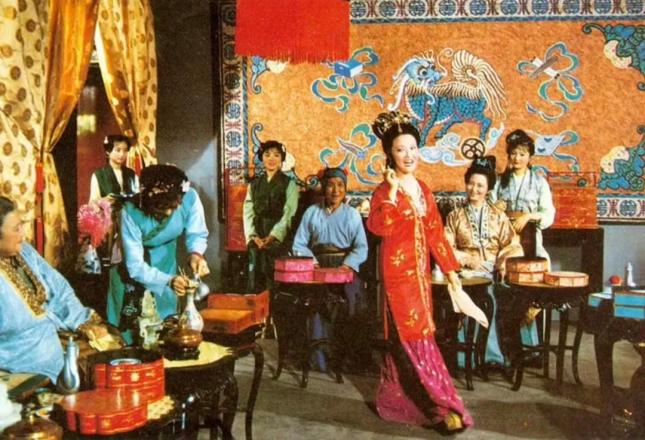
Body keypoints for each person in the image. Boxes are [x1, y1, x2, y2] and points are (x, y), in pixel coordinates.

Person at [367, 111, 472, 432]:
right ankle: (443, 406)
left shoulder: (423, 188)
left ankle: (406, 399)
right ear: (390, 154)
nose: (408, 155)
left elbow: (435, 233)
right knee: (416, 338)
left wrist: (451, 272)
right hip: (397, 279)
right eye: (400, 149)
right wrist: (393, 192)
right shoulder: (383, 192)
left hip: (421, 277)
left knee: (417, 337)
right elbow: (380, 227)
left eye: (413, 148)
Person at [0, 196, 109, 381]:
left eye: (22, 225)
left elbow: (58, 288)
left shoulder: (24, 251)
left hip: (56, 338)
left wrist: (81, 322)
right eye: (16, 229)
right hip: (25, 359)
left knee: (111, 352)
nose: (23, 234)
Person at [107, 164, 209, 343]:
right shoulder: (129, 213)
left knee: (165, 328)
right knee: (131, 332)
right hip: (130, 271)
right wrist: (168, 281)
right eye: (162, 208)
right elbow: (135, 267)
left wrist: (196, 254)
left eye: (173, 206)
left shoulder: (189, 198)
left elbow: (196, 233)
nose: (169, 212)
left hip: (165, 261)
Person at [444, 156, 523, 367]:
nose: (474, 189)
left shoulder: (498, 216)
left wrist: (503, 261)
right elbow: (445, 247)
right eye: (471, 184)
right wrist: (466, 258)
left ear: (488, 189)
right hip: (465, 273)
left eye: (480, 185)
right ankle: (466, 359)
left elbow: (513, 243)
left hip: (493, 272)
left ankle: (492, 357)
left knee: (495, 297)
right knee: (463, 297)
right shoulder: (455, 216)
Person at [292, 167, 369, 370]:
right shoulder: (312, 212)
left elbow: (361, 247)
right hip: (317, 266)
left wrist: (347, 265)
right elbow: (299, 243)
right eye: (330, 185)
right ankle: (318, 359)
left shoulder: (352, 215)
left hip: (344, 266)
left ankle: (345, 360)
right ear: (324, 188)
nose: (335, 191)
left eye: (340, 185)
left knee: (352, 302)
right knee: (313, 304)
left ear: (345, 189)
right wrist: (312, 261)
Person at [490, 129, 555, 261]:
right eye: (513, 153)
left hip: (530, 234)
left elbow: (548, 213)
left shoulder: (539, 182)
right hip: (502, 234)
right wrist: (495, 208)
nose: (517, 158)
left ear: (530, 156)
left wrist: (528, 216)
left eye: (522, 154)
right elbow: (488, 210)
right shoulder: (499, 181)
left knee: (540, 261)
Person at [243, 140, 298, 293]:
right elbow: (248, 212)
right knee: (254, 274)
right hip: (258, 234)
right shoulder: (254, 185)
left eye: (276, 155)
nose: (271, 159)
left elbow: (289, 213)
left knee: (274, 276)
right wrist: (253, 236)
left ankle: (275, 305)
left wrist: (274, 236)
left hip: (279, 237)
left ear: (282, 159)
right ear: (262, 158)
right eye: (267, 155)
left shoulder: (289, 184)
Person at [89, 135, 139, 203]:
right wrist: (104, 200)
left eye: (125, 151)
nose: (122, 154)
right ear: (108, 151)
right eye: (118, 150)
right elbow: (92, 202)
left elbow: (138, 197)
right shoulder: (99, 175)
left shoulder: (131, 173)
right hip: (108, 209)